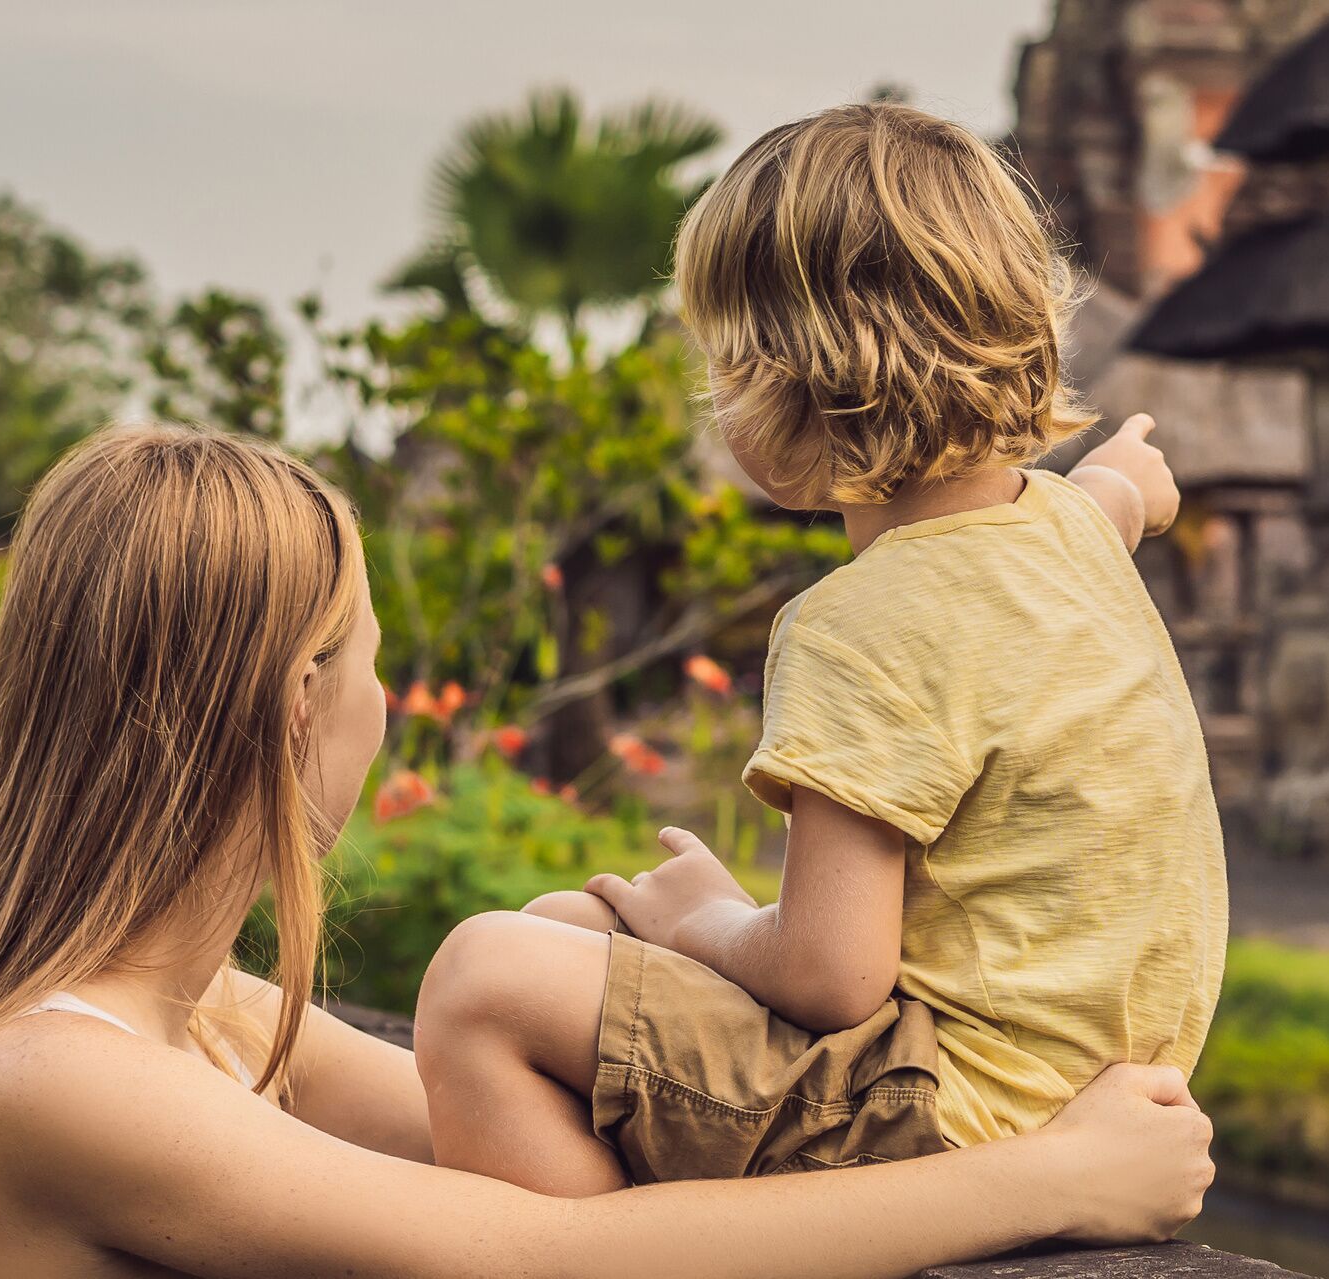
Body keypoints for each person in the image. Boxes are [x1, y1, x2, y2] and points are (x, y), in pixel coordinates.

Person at [0, 426, 1213, 1279]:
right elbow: (539, 1257)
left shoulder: (214, 1021)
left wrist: (598, 973)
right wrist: (1051, 1183)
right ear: (303, 703)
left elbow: (581, 1175)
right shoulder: (59, 1074)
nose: (375, 694)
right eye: (367, 653)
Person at [410, 100, 1227, 1194]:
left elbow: (833, 975)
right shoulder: (1067, 532)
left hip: (953, 1112)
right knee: (569, 925)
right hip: (1085, 1080)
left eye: (723, 367)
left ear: (793, 381)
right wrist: (1132, 472)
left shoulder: (866, 621)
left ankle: (603, 1254)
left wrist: (706, 920)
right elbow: (1111, 500)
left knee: (486, 978)